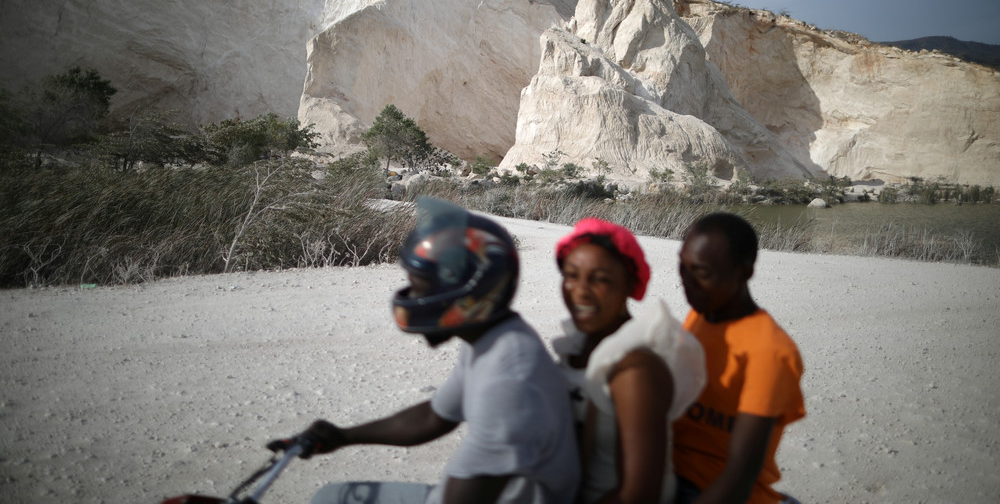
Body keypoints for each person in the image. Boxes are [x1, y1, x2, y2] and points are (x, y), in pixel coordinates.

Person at [273, 197, 580, 504]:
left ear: (468, 293)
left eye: (419, 285)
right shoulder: (496, 339)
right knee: (330, 497)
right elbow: (435, 417)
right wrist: (343, 436)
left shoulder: (508, 385)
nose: (411, 296)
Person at [550, 218, 706, 504]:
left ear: (629, 284)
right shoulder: (578, 347)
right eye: (571, 275)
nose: (580, 290)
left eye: (600, 279)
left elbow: (639, 494)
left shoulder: (635, 368)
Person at [672, 212, 805, 504]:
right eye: (683, 267)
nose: (686, 281)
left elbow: (739, 479)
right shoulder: (701, 315)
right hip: (671, 475)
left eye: (702, 273)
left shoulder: (770, 352)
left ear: (744, 273)